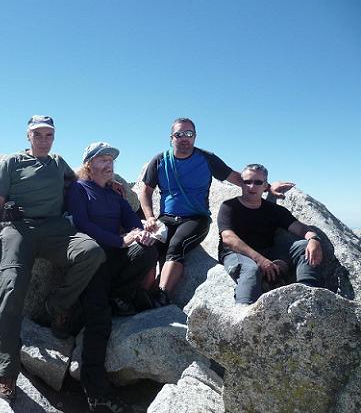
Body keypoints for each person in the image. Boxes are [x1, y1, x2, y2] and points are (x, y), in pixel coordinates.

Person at [0, 115, 105, 403]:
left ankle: (58, 304)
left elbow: (78, 178)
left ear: (53, 138)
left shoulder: (57, 162)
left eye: (48, 135)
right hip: (18, 229)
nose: (43, 140)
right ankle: (5, 371)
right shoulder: (12, 163)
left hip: (55, 228)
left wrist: (106, 181)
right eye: (38, 134)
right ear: (28, 136)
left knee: (93, 252)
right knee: (12, 287)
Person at [140, 117, 294, 306]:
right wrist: (149, 218)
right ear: (171, 138)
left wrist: (268, 187)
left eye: (189, 134)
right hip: (166, 219)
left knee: (175, 246)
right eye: (179, 134)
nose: (184, 138)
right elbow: (145, 192)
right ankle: (143, 293)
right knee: (148, 248)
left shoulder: (206, 158)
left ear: (195, 137)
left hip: (195, 219)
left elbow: (238, 179)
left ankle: (162, 296)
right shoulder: (160, 160)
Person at [66, 142, 157, 413]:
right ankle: (96, 392)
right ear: (89, 164)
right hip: (92, 260)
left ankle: (116, 296)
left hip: (115, 257)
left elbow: (132, 220)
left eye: (111, 161)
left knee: (147, 250)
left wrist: (139, 233)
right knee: (99, 319)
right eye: (102, 160)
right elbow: (82, 224)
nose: (108, 165)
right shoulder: (78, 190)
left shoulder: (114, 193)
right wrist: (119, 240)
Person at [218, 163, 323, 304]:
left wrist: (314, 239)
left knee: (305, 246)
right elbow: (228, 239)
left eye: (258, 182)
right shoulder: (229, 207)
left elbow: (302, 229)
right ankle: (243, 310)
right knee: (251, 270)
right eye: (247, 182)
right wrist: (261, 261)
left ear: (265, 186)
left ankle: (308, 297)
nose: (251, 186)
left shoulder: (274, 210)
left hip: (267, 253)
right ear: (241, 184)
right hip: (236, 254)